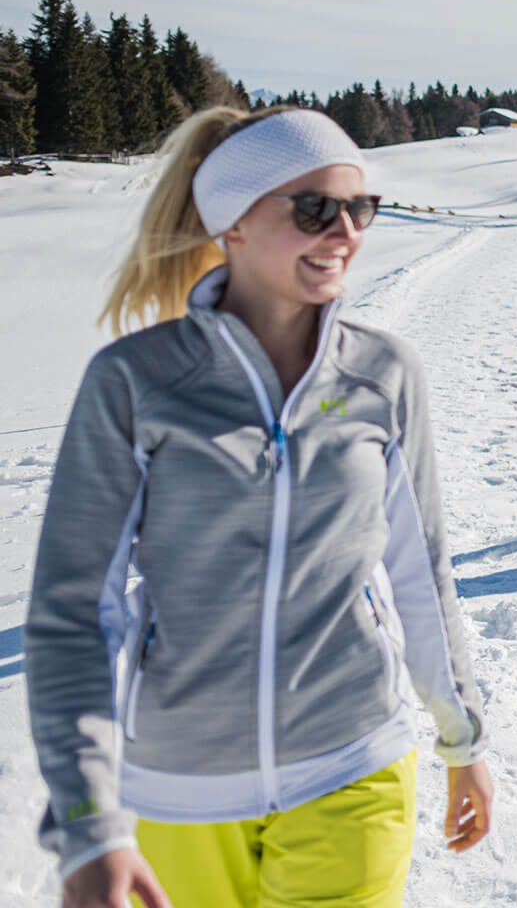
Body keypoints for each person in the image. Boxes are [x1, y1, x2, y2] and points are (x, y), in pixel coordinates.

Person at [27, 106, 492, 908]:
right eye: (313, 208)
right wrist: (88, 824)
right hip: (178, 790)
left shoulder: (384, 374)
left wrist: (464, 739)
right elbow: (74, 613)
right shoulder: (136, 382)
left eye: (360, 208)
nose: (344, 230)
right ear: (231, 222)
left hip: (355, 762)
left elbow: (422, 572)